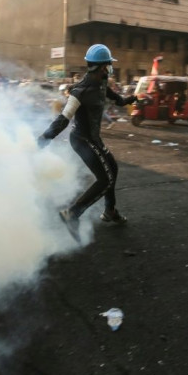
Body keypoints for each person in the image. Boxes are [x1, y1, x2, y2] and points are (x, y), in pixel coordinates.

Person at [37, 44, 139, 242]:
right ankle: (72, 214)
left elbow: (115, 98)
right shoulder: (80, 91)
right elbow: (64, 118)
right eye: (109, 65)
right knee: (105, 180)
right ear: (102, 67)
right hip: (82, 140)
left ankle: (110, 210)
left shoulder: (101, 83)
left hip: (93, 139)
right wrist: (44, 139)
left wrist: (130, 99)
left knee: (113, 168)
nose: (110, 69)